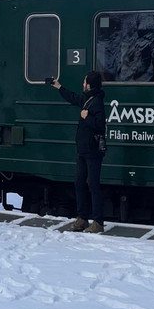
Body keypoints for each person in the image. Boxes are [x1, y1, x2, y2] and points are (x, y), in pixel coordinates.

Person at [51, 71, 107, 234]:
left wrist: (86, 117)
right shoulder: (87, 99)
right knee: (79, 183)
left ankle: (98, 222)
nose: (82, 84)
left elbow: (100, 125)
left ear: (89, 85)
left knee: (93, 184)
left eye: (84, 81)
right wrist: (59, 87)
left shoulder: (96, 102)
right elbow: (73, 97)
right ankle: (82, 218)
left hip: (92, 151)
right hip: (83, 150)